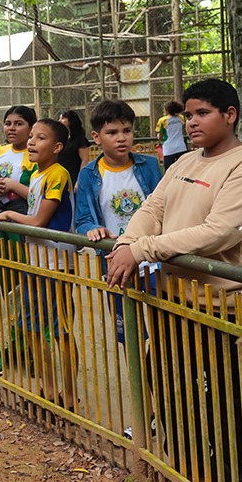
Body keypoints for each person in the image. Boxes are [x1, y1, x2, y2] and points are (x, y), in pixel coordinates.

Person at [105, 78, 242, 482]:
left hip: (227, 305)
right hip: (173, 297)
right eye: (189, 114)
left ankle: (229, 480)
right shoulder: (185, 163)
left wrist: (142, 248)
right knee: (165, 379)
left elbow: (219, 233)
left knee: (226, 394)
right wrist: (129, 241)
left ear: (229, 115)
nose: (192, 122)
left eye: (203, 113)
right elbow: (154, 207)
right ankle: (186, 464)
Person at [0, 119, 75, 402]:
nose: (32, 142)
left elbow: (39, 220)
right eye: (32, 137)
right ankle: (47, 391)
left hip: (56, 263)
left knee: (61, 332)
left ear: (57, 146)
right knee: (32, 328)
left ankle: (69, 396)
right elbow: (34, 203)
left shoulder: (58, 174)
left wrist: (8, 215)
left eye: (41, 138)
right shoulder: (37, 174)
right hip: (36, 261)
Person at [74, 99, 163, 344]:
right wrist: (92, 228)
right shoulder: (89, 174)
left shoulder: (151, 166)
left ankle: (160, 379)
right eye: (112, 132)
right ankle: (141, 382)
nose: (121, 138)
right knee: (129, 333)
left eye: (127, 131)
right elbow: (82, 218)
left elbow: (165, 207)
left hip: (153, 260)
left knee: (165, 328)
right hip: (116, 263)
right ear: (97, 137)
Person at [0, 106, 37, 252]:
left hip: (23, 222)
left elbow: (39, 196)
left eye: (19, 124)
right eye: (8, 124)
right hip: (0, 220)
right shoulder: (1, 151)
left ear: (31, 128)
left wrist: (13, 186)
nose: (12, 128)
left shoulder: (35, 154)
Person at [56, 110, 90, 189]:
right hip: (60, 176)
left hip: (74, 176)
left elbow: (85, 160)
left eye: (63, 118)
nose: (59, 120)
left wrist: (79, 181)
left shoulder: (80, 139)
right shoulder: (60, 138)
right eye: (60, 118)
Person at [156, 100, 188, 170]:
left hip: (169, 149)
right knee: (184, 169)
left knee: (169, 170)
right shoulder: (181, 117)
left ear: (167, 110)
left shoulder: (162, 120)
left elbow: (160, 136)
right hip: (181, 147)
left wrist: (159, 137)